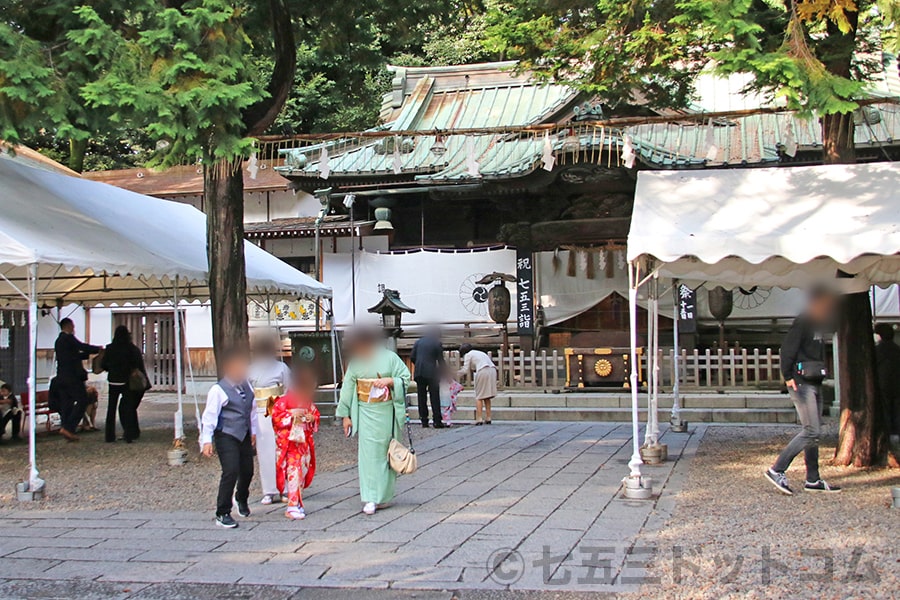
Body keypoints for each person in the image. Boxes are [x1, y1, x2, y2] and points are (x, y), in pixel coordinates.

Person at [766, 288, 841, 495]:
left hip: (814, 380)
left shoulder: (818, 323)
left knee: (814, 433)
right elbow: (787, 350)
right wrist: (788, 376)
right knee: (812, 431)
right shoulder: (803, 322)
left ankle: (813, 479)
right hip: (800, 382)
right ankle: (777, 469)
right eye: (827, 302)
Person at [336, 328, 411, 515]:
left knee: (385, 454)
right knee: (368, 456)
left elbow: (405, 378)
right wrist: (346, 415)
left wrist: (389, 381)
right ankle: (370, 497)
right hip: (365, 412)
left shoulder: (389, 358)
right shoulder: (355, 363)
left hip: (385, 411)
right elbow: (347, 388)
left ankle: (383, 496)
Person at [200, 348, 258, 529]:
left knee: (247, 470)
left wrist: (254, 431)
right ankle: (223, 511)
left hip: (244, 433)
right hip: (226, 434)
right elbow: (209, 416)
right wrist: (206, 440)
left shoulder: (247, 386)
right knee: (231, 470)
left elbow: (253, 410)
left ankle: (241, 497)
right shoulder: (218, 390)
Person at [272, 365, 320, 520]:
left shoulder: (307, 402)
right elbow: (276, 418)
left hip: (303, 444)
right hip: (291, 444)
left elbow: (315, 414)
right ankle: (292, 506)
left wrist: (312, 418)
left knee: (301, 474)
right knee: (294, 474)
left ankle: (297, 502)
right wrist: (291, 415)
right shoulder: (284, 401)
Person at [248, 334, 291, 505]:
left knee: (281, 450)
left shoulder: (281, 368)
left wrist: (283, 409)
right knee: (264, 452)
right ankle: (269, 490)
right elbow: (248, 392)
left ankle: (285, 488)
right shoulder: (250, 370)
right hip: (258, 411)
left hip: (278, 410)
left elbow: (289, 389)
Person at [52, 318, 101, 442]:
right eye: (72, 326)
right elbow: (81, 346)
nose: (74, 329)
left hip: (61, 377)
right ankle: (69, 427)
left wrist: (87, 354)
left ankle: (66, 428)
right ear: (68, 326)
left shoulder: (58, 341)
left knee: (66, 404)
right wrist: (97, 349)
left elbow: (73, 355)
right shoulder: (68, 338)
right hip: (72, 377)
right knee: (82, 400)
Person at [101, 325, 148, 443]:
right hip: (126, 381)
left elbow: (103, 365)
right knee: (127, 408)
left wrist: (111, 369)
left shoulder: (110, 348)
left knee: (111, 409)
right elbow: (135, 364)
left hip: (113, 381)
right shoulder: (130, 349)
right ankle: (128, 434)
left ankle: (109, 436)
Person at [410, 326, 446, 428]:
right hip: (432, 372)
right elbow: (440, 360)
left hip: (419, 372)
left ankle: (424, 420)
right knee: (434, 397)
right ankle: (437, 421)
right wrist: (444, 373)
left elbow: (412, 356)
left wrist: (418, 364)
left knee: (421, 397)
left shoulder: (418, 342)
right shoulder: (437, 343)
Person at [457, 344, 498, 425]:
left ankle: (479, 418)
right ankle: (488, 417)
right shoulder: (479, 352)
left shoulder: (468, 355)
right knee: (487, 396)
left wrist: (456, 373)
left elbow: (465, 370)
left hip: (482, 371)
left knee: (479, 396)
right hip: (492, 370)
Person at [874, 323, 900, 443]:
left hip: (882, 384)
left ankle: (887, 433)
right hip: (897, 384)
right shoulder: (897, 349)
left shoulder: (877, 350)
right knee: (896, 409)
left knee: (885, 410)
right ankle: (896, 432)